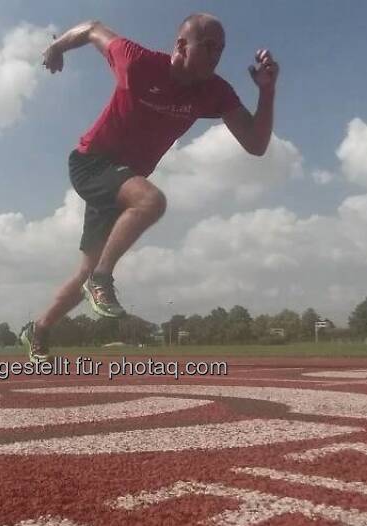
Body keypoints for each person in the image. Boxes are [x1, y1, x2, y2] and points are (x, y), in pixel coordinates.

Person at [20, 13, 279, 362]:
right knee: (151, 201)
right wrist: (56, 47)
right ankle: (101, 281)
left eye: (221, 49)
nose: (216, 55)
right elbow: (93, 29)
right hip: (92, 163)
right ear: (181, 45)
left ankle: (38, 328)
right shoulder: (136, 61)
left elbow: (256, 143)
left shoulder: (215, 91)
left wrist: (267, 90)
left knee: (84, 270)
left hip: (122, 182)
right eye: (208, 46)